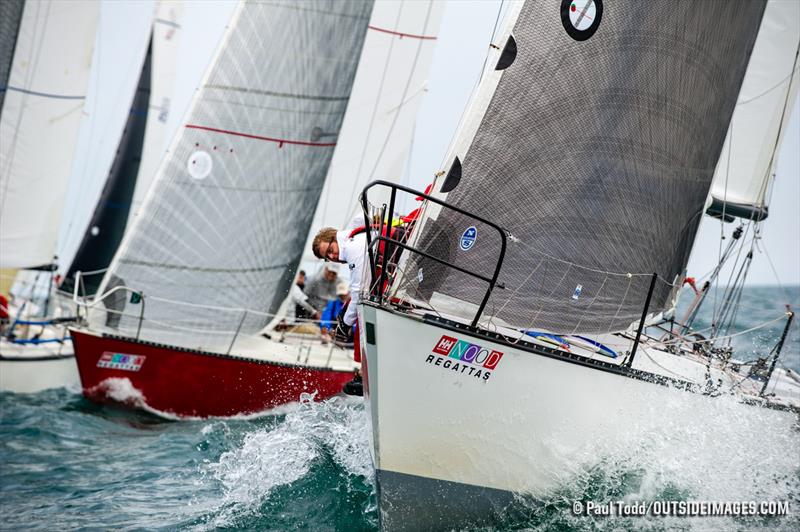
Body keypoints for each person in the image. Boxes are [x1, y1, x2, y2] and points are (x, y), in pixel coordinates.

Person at [311, 226, 367, 362]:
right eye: (327, 257)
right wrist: (327, 327)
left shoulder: (352, 248)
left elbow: (358, 292)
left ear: (334, 238)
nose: (332, 257)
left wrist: (344, 325)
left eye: (330, 250)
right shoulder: (333, 303)